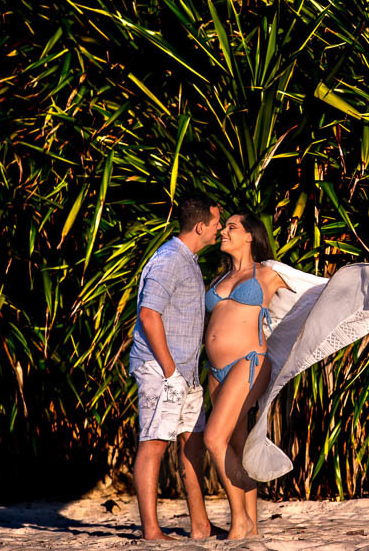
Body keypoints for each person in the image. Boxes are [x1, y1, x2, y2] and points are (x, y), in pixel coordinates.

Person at [128, 193, 222, 541]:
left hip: (184, 371)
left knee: (192, 444)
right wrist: (169, 372)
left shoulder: (188, 259)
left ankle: (201, 526)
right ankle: (151, 531)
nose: (218, 231)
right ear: (200, 226)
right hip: (161, 369)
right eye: (215, 224)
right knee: (153, 443)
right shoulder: (169, 259)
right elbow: (149, 314)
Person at [201, 212, 288, 539]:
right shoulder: (219, 278)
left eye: (231, 228)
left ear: (250, 235)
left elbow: (318, 291)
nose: (223, 231)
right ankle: (251, 523)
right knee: (235, 442)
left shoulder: (268, 273)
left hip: (249, 362)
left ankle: (240, 521)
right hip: (216, 370)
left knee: (214, 438)